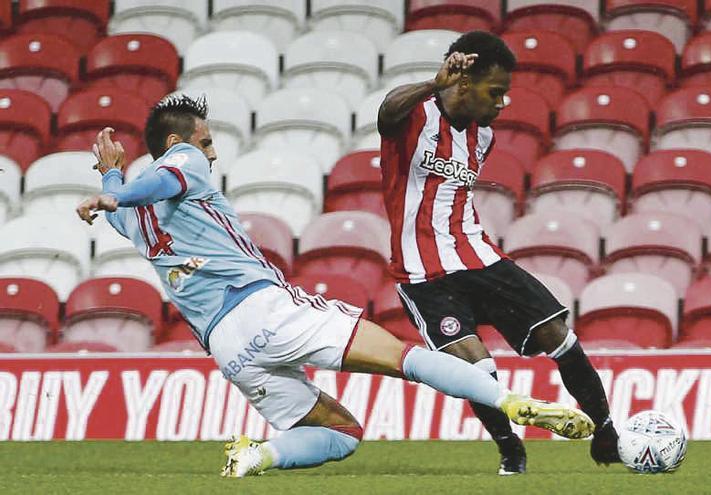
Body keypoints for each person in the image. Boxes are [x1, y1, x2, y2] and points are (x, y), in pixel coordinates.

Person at [75, 94, 594, 478]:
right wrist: (117, 193)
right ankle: (509, 402)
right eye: (207, 142)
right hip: (263, 309)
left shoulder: (134, 220)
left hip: (227, 350)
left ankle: (257, 454)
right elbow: (164, 179)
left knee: (342, 435)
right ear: (177, 142)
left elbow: (131, 201)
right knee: (404, 358)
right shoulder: (179, 161)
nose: (210, 155)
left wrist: (110, 184)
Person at [377, 31, 621, 475]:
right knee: (476, 366)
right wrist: (437, 82)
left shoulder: (481, 136)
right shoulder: (412, 116)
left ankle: (607, 431)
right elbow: (385, 112)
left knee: (558, 334)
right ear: (463, 84)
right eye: (496, 92)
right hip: (424, 273)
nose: (503, 103)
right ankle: (511, 450)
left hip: (481, 258)